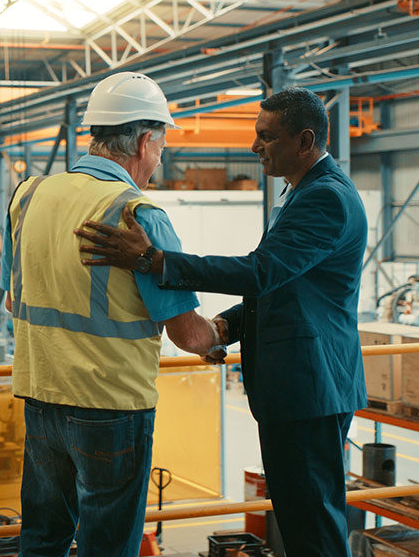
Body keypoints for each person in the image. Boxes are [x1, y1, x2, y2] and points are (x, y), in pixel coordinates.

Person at [76, 86, 367, 556]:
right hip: (299, 388)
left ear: (305, 140)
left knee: (313, 523)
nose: (254, 148)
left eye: (266, 137)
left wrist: (156, 260)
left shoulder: (326, 199)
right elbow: (284, 289)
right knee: (300, 516)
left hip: (310, 388)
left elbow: (261, 271)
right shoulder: (304, 192)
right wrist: (227, 328)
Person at [0, 71, 219, 557]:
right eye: (160, 148)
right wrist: (225, 334)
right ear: (144, 142)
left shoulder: (29, 197)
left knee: (41, 539)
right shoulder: (139, 214)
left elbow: (15, 301)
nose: (159, 162)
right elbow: (188, 335)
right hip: (111, 409)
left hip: (40, 397)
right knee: (108, 546)